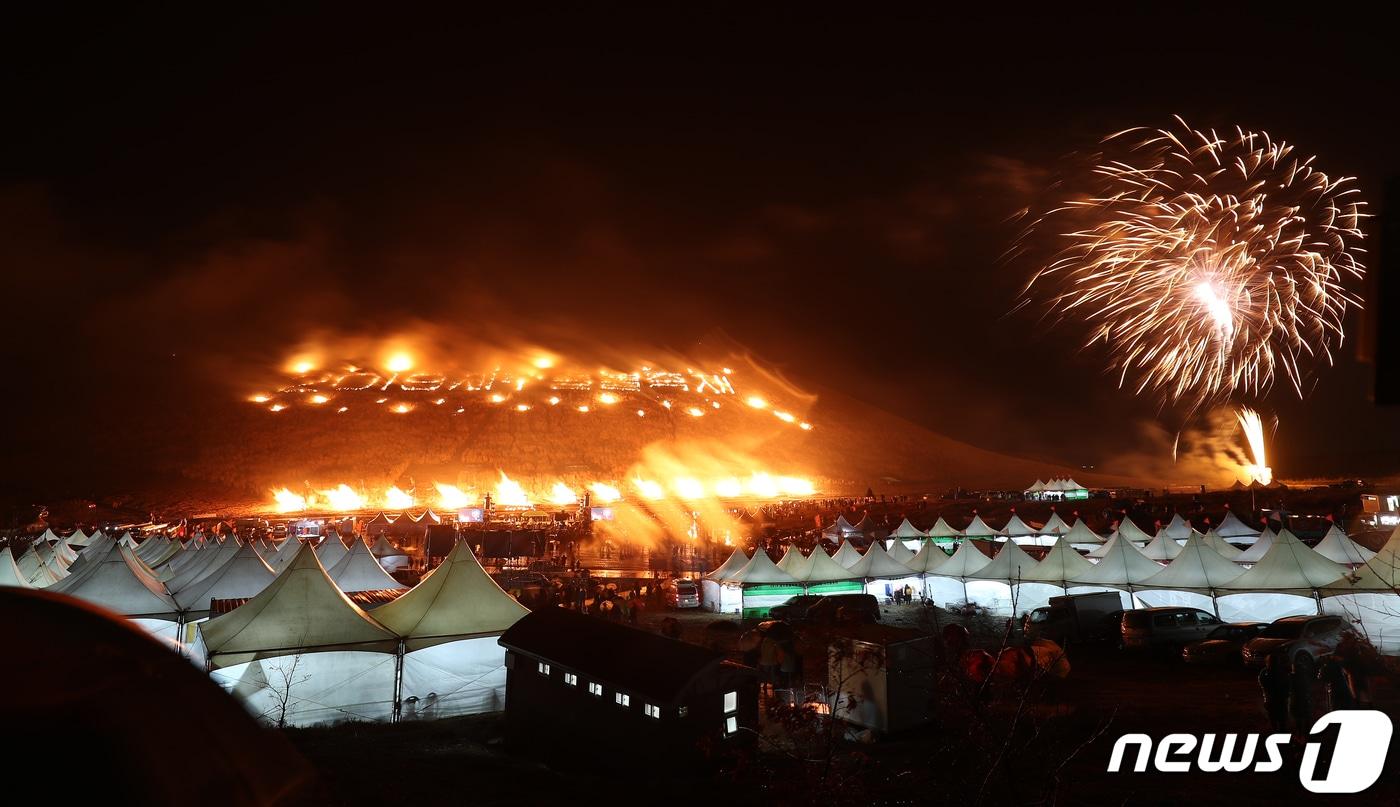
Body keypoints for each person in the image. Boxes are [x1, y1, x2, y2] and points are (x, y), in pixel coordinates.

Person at [1259, 650, 1290, 733]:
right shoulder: (1282, 673)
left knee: (1273, 719)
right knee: (1281, 720)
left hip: (1271, 700)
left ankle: (1277, 732)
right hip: (1280, 700)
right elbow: (1287, 685)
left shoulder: (1265, 673)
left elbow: (1262, 684)